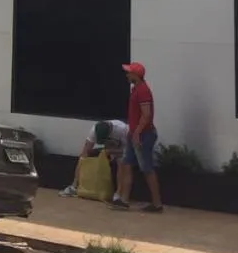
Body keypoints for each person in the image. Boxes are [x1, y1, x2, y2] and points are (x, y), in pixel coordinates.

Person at [113, 62, 163, 212]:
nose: (127, 75)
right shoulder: (136, 89)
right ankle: (124, 200)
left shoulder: (143, 91)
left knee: (147, 168)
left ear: (136, 75)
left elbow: (146, 115)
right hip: (135, 133)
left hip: (142, 135)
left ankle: (157, 203)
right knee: (127, 164)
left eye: (129, 72)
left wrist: (137, 133)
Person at [59, 118, 127, 198]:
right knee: (83, 156)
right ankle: (74, 186)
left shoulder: (123, 130)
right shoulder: (94, 130)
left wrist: (111, 151)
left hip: (120, 148)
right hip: (109, 148)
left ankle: (118, 193)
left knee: (121, 162)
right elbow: (86, 151)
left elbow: (127, 151)